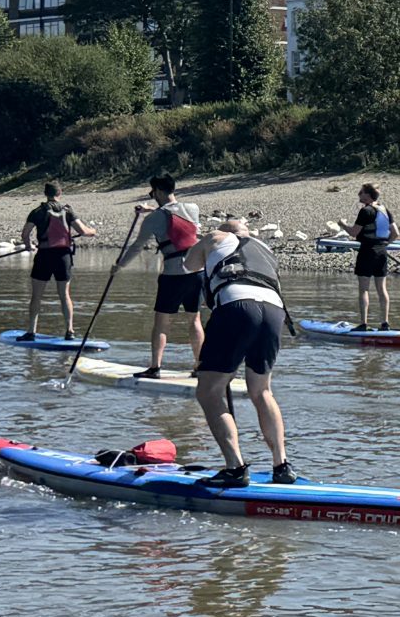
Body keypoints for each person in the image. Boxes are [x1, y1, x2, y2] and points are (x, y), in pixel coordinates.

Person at [191, 216, 293, 486]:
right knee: (261, 391)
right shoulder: (264, 248)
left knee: (208, 391)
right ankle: (281, 465)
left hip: (236, 306)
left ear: (224, 229)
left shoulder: (215, 236)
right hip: (274, 311)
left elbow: (188, 264)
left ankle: (235, 468)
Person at [123, 174, 206, 378]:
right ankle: (199, 367)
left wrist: (119, 265)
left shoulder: (153, 220)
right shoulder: (193, 208)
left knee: (161, 322)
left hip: (173, 274)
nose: (152, 196)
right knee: (194, 320)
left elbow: (136, 247)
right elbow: (176, 216)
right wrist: (151, 210)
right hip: (198, 273)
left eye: (153, 193)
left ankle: (155, 368)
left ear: (159, 191)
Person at [18, 182, 97, 340]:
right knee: (64, 294)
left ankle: (31, 332)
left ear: (45, 193)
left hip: (44, 256)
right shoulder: (67, 211)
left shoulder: (37, 211)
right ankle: (70, 331)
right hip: (63, 257)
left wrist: (28, 246)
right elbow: (83, 231)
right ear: (60, 193)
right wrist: (93, 231)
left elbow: (25, 233)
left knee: (36, 296)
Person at [350, 182, 397, 329]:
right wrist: (384, 245)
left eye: (361, 192)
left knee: (364, 289)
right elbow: (395, 233)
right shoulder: (385, 210)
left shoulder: (366, 211)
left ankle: (363, 324)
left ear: (368, 195)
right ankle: (385, 323)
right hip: (381, 253)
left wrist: (342, 225)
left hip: (367, 252)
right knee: (381, 289)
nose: (359, 194)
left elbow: (353, 233)